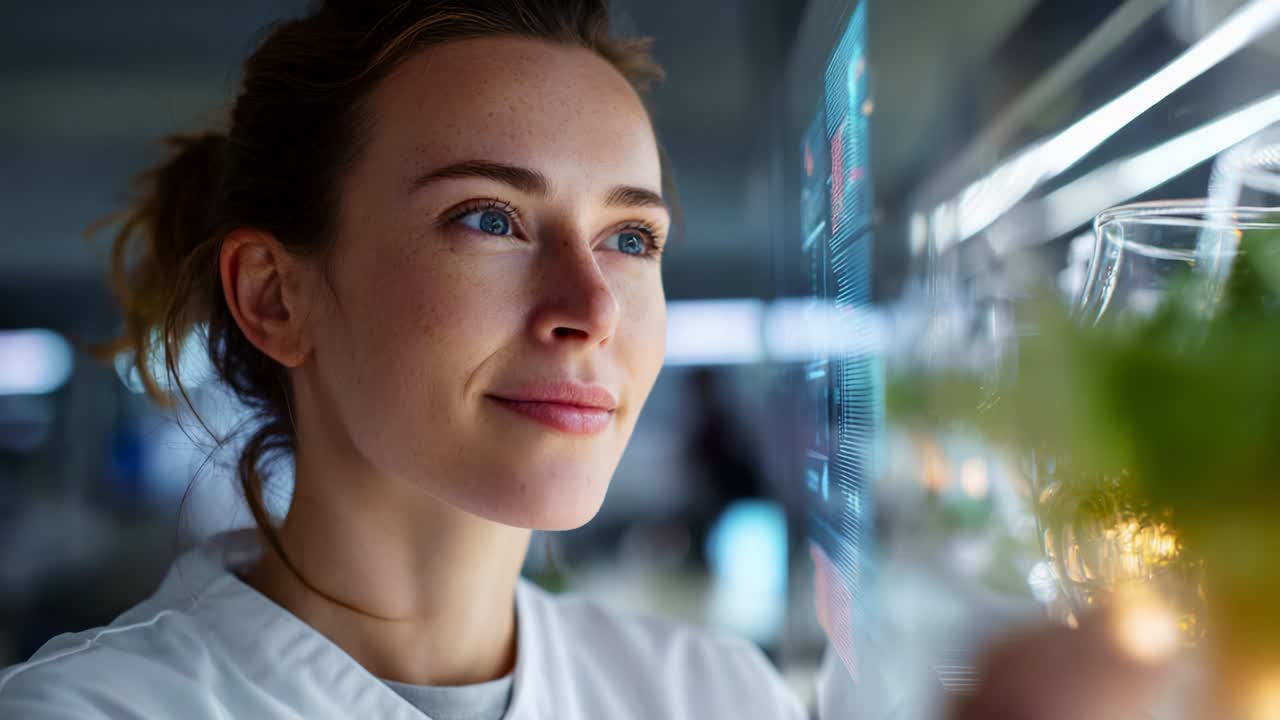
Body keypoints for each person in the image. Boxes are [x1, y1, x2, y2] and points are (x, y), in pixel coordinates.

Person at [0, 2, 806, 718]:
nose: (593, 311)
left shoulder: (719, 696)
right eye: (490, 219)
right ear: (276, 297)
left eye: (630, 239)